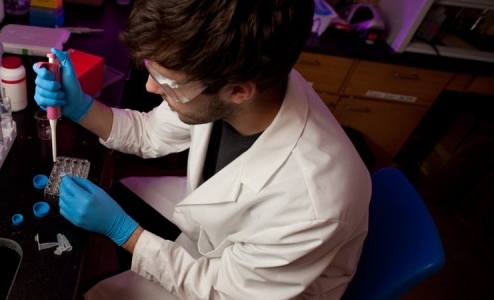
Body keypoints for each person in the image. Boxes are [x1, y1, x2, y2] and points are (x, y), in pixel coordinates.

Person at [32, 0, 372, 298]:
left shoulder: (312, 204)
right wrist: (81, 107)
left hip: (248, 288)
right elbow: (150, 132)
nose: (151, 87)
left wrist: (125, 233)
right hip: (220, 235)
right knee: (117, 198)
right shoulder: (234, 68)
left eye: (167, 82)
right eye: (152, 68)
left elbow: (223, 292)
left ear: (238, 91)